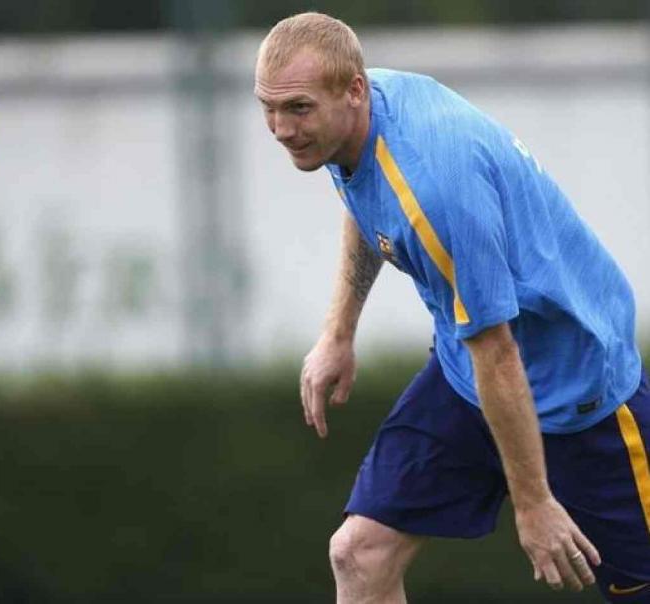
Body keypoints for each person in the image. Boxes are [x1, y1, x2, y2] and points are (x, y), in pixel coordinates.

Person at [254, 12, 650, 603]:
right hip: (473, 375)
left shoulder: (437, 186)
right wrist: (339, 331)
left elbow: (499, 351)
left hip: (577, 392)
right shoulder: (354, 122)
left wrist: (535, 500)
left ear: (354, 91)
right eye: (269, 107)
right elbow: (371, 198)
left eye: (298, 109)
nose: (281, 128)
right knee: (358, 554)